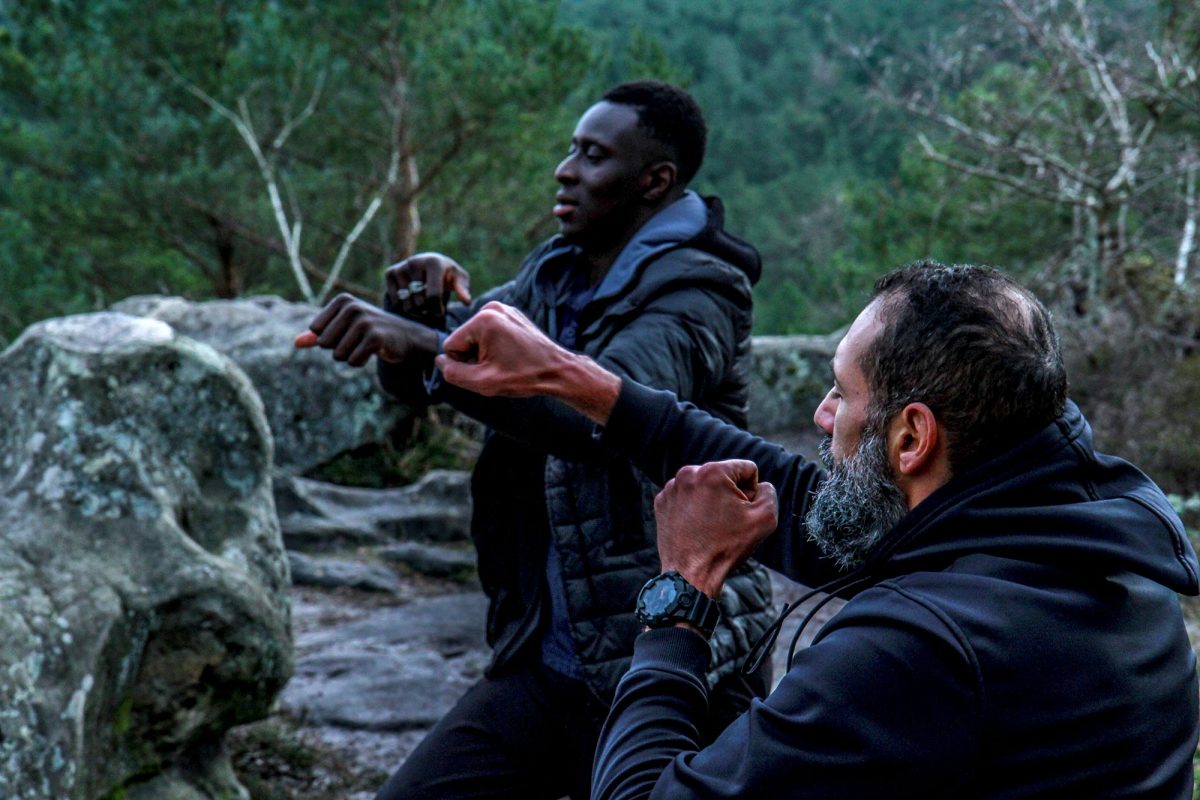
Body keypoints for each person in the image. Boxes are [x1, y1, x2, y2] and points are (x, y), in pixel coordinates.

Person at [433, 261, 1200, 799]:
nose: (820, 417)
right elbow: (814, 502)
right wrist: (570, 375)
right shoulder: (1092, 544)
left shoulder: (920, 649)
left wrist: (680, 594)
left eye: (840, 392)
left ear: (911, 438)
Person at [301, 80, 775, 799]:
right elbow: (447, 371)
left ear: (655, 181)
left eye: (593, 155)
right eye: (570, 149)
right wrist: (412, 327)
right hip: (548, 659)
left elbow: (600, 415)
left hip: (677, 663)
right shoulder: (555, 272)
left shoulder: (701, 291)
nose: (565, 169)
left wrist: (428, 346)